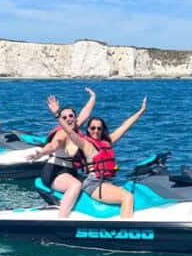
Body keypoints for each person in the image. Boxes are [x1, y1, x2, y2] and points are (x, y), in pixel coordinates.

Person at [57, 97, 147, 218]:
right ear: (88, 130)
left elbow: (125, 126)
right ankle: (125, 232)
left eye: (99, 128)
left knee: (133, 190)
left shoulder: (107, 142)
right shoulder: (86, 145)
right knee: (127, 197)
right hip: (93, 184)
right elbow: (70, 132)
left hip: (106, 182)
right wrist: (58, 114)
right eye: (93, 128)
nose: (96, 131)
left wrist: (141, 111)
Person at [26, 88, 96, 218]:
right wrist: (40, 154)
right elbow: (52, 146)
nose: (68, 119)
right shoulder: (62, 133)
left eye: (71, 116)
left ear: (75, 118)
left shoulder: (75, 128)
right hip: (54, 171)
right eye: (64, 117)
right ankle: (62, 218)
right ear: (61, 120)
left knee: (93, 182)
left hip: (70, 171)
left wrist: (93, 96)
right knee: (76, 185)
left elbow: (86, 113)